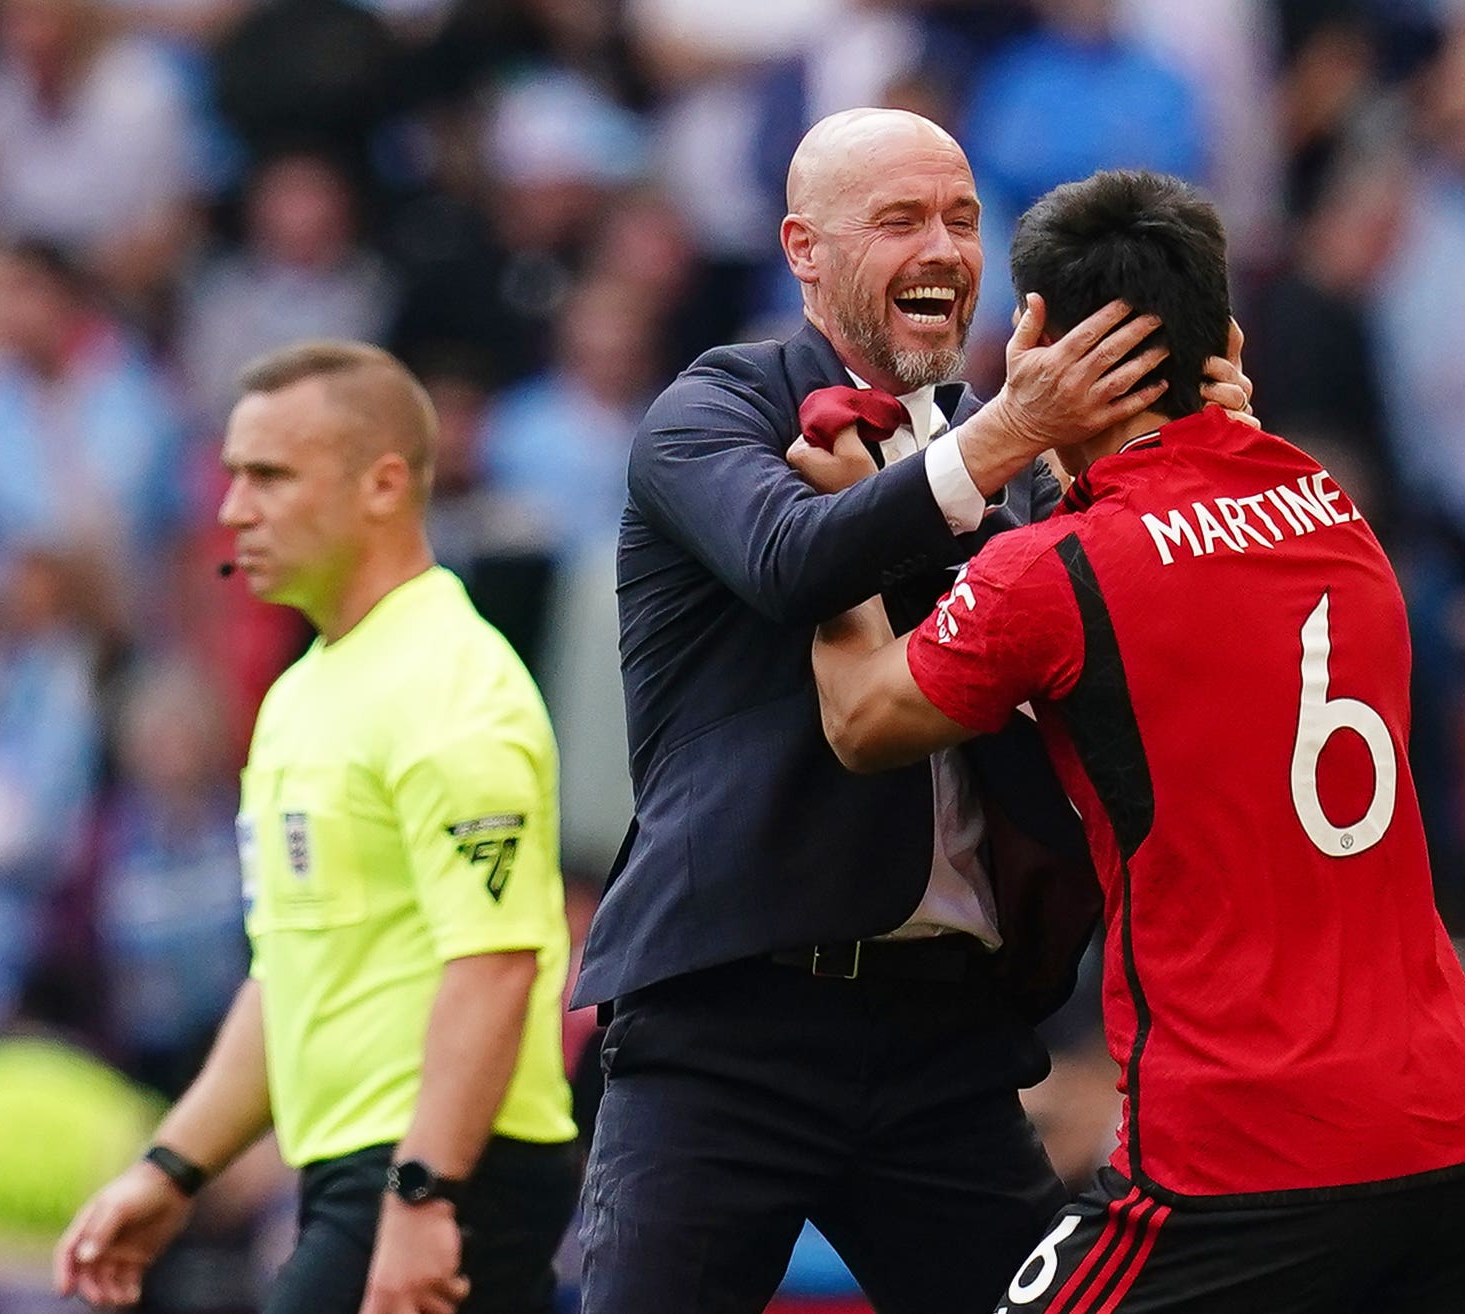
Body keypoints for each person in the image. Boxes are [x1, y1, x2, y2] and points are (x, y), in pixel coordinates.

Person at [809, 169, 1465, 1312]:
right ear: (1227, 340)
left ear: (1034, 334)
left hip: (1248, 1154)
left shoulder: (1060, 574)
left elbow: (861, 721)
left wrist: (839, 537)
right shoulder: (1338, 510)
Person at [570, 107, 1253, 1314]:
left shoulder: (1013, 474)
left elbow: (1122, 630)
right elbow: (791, 560)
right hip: (732, 1015)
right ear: (801, 248)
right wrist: (1010, 438)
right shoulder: (712, 411)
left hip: (942, 1030)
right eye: (899, 220)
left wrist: (1205, 455)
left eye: (962, 219)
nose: (942, 247)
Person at [54, 341, 578, 1314]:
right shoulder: (303, 694)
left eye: (268, 476)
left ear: (383, 485)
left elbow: (497, 963)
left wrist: (426, 1194)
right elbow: (287, 970)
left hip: (451, 1171)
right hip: (365, 1173)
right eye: (231, 473)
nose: (231, 507)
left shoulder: (452, 683)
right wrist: (172, 1168)